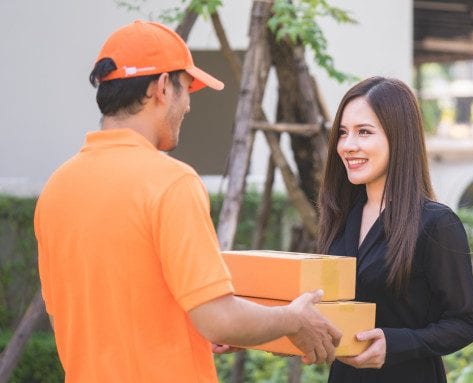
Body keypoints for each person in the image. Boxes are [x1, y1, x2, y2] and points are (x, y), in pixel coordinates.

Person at [34, 20, 341, 383]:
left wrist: (190, 326)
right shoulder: (170, 182)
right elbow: (218, 320)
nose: (189, 105)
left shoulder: (56, 188)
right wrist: (294, 319)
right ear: (163, 86)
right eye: (187, 88)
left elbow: (74, 318)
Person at [317, 77, 473, 382]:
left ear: (399, 137)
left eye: (363, 132)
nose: (347, 145)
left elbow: (464, 322)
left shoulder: (435, 224)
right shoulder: (340, 216)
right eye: (342, 133)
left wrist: (395, 344)